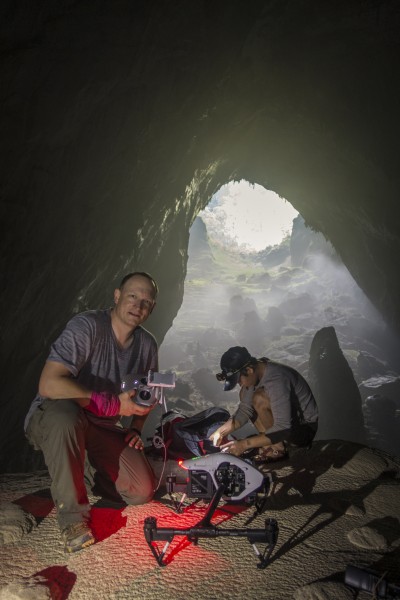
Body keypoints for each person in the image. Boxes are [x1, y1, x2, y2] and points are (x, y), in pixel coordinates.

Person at [24, 271, 159, 553]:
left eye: (146, 302)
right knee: (65, 418)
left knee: (141, 490)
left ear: (152, 309)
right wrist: (112, 404)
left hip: (100, 425)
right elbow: (49, 383)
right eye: (132, 296)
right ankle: (72, 519)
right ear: (117, 295)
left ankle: (80, 473)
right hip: (56, 414)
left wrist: (135, 427)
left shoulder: (147, 345)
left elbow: (145, 393)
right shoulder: (88, 326)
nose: (138, 305)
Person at [211, 346, 318, 461]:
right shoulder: (257, 368)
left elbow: (284, 427)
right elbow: (245, 411)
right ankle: (269, 445)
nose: (239, 384)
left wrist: (244, 444)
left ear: (249, 370)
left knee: (259, 398)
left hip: (303, 429)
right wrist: (220, 432)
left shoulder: (276, 379)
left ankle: (278, 449)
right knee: (245, 393)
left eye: (238, 380)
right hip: (286, 426)